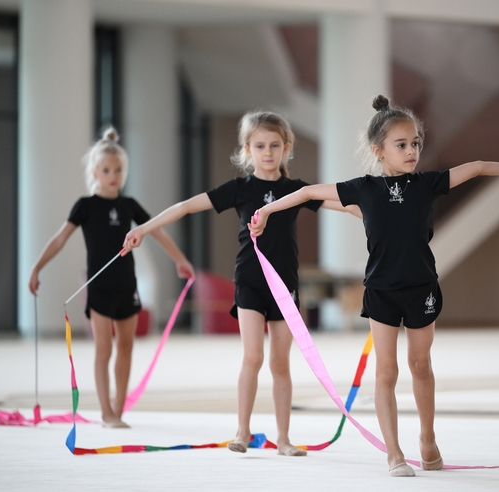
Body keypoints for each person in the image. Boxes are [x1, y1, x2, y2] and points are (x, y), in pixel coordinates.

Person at [249, 95, 499, 476]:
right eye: (401, 145)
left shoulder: (426, 184)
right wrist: (266, 212)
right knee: (386, 372)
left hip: (421, 287)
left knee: (420, 365)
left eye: (416, 144)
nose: (411, 151)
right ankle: (394, 453)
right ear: (378, 151)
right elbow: (307, 193)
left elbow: (476, 167)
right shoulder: (363, 189)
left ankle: (427, 438)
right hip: (381, 291)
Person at [123, 111, 361, 456]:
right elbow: (188, 206)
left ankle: (284, 439)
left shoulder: (294, 190)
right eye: (260, 145)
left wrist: (375, 214)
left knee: (281, 363)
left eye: (275, 145)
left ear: (286, 148)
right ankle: (242, 431)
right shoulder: (240, 189)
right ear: (247, 149)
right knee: (253, 356)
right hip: (250, 280)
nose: (268, 152)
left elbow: (345, 204)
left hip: (285, 286)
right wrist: (143, 229)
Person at [29, 128, 194, 428]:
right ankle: (106, 411)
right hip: (100, 290)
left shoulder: (128, 205)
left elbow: (157, 231)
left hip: (126, 287)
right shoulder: (85, 206)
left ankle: (119, 407)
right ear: (94, 171)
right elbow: (59, 240)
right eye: (106, 170)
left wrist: (180, 260)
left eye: (118, 170)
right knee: (103, 349)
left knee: (127, 347)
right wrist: (36, 267)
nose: (113, 175)